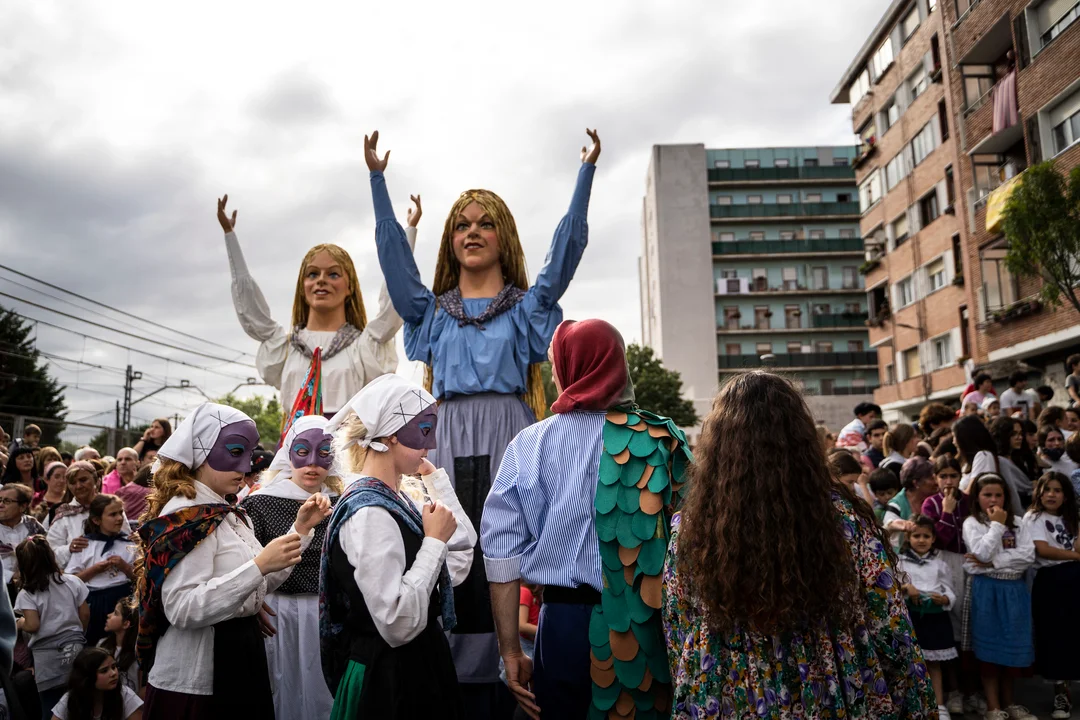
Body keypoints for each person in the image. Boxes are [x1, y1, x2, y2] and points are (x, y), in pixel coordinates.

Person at [365, 129, 601, 711]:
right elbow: (396, 267)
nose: (472, 232)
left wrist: (586, 174)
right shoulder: (431, 311)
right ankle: (449, 664)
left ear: (504, 237)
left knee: (510, 543)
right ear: (450, 240)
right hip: (444, 432)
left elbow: (564, 256)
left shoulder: (527, 307)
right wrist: (377, 181)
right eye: (461, 225)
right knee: (445, 542)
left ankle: (513, 657)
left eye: (485, 223)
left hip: (510, 430)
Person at [663, 372, 935, 717]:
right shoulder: (845, 521)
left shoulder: (692, 528)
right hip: (825, 687)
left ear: (718, 446)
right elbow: (888, 622)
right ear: (801, 439)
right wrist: (912, 702)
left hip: (727, 688)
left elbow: (678, 623)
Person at [481, 319, 689, 719]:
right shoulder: (661, 441)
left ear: (569, 369)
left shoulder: (529, 444)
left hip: (561, 625)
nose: (554, 376)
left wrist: (510, 650)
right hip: (645, 628)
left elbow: (500, 555)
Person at [134, 402, 329, 718]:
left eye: (248, 453)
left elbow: (257, 584)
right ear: (201, 451)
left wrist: (301, 530)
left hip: (240, 656)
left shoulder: (227, 512)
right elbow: (182, 609)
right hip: (202, 675)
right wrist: (259, 565)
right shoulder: (188, 517)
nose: (245, 465)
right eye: (235, 451)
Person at [320, 373, 475, 718]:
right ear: (391, 433)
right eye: (424, 430)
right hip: (388, 678)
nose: (430, 444)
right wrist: (433, 543)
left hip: (417, 667)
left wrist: (435, 482)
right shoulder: (370, 511)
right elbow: (397, 622)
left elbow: (462, 548)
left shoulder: (398, 499)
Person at [218, 193, 409, 418]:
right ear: (302, 286)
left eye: (333, 274)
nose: (321, 280)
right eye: (312, 274)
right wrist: (230, 235)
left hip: (344, 438)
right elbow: (251, 311)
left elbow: (394, 303)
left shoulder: (363, 346)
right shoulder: (285, 347)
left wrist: (407, 237)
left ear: (350, 287)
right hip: (296, 439)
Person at [240, 415, 343, 720]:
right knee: (279, 685)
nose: (312, 464)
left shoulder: (342, 500)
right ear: (288, 452)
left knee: (322, 690)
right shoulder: (259, 502)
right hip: (276, 611)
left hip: (325, 610)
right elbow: (247, 560)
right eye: (302, 451)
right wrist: (252, 602)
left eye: (324, 453)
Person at [962, 473, 1036, 720]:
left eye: (998, 495)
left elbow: (1028, 556)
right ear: (977, 497)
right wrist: (996, 526)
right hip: (987, 590)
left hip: (1014, 589)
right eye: (987, 495)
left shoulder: (1019, 522)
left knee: (1012, 646)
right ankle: (993, 707)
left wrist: (994, 562)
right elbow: (981, 553)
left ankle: (1010, 702)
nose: (993, 500)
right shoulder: (972, 523)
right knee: (989, 648)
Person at [1023, 472, 1080, 719]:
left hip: (1076, 577)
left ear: (1066, 495)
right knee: (1055, 638)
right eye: (1047, 489)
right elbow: (1043, 550)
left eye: (1057, 490)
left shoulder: (1072, 517)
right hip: (1051, 580)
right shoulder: (1033, 517)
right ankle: (1061, 693)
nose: (1051, 495)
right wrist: (1076, 556)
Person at [13, 535, 90, 719]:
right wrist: (79, 634)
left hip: (47, 656)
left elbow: (33, 625)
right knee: (80, 700)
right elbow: (85, 614)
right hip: (75, 647)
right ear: (51, 556)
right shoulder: (72, 581)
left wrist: (20, 623)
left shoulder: (27, 593)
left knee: (51, 704)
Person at [920, 455, 971, 714]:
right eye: (943, 476)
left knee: (968, 626)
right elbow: (939, 540)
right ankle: (953, 690)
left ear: (960, 477)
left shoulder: (969, 501)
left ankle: (971, 689)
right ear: (936, 478)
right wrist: (947, 511)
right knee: (949, 628)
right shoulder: (931, 503)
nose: (949, 481)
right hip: (943, 563)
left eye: (953, 476)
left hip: (969, 564)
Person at [896, 515, 957, 720]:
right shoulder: (900, 562)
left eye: (926, 536)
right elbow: (892, 588)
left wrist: (945, 598)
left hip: (935, 619)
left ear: (933, 539)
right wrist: (906, 587)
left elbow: (949, 589)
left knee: (934, 664)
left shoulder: (939, 564)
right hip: (911, 618)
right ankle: (911, 706)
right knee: (909, 663)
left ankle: (938, 705)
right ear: (908, 537)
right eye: (916, 536)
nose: (921, 540)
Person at [64, 495, 135, 646]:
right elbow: (71, 580)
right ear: (97, 520)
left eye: (121, 513)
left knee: (125, 641)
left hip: (124, 598)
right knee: (96, 643)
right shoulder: (85, 544)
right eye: (112, 514)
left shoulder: (130, 543)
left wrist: (125, 567)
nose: (119, 518)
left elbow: (140, 578)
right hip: (96, 600)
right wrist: (94, 570)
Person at [46, 464, 131, 570]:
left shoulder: (112, 508)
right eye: (73, 482)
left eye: (83, 480)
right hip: (77, 577)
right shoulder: (65, 515)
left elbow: (127, 541)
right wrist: (69, 549)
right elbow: (49, 554)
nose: (78, 486)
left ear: (97, 481)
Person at [954, 415, 1024, 515]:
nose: (953, 441)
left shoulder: (983, 456)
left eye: (955, 437)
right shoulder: (967, 464)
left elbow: (971, 492)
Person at [48, 646, 142, 720]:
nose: (113, 673)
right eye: (104, 671)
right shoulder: (71, 699)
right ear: (87, 676)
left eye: (114, 667)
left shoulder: (125, 694)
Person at [882, 456, 937, 549]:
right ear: (916, 483)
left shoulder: (936, 500)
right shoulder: (896, 505)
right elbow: (887, 532)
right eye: (931, 478)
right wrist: (892, 525)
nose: (936, 482)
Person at [0, 485, 46, 595]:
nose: (1, 504)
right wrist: (12, 576)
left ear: (22, 506)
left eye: (7, 501)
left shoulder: (33, 526)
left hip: (32, 586)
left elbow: (45, 556)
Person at [98, 598, 139, 696]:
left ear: (126, 623)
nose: (109, 615)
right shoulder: (102, 645)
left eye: (115, 613)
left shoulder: (138, 653)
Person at [989, 416, 1033, 507]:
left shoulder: (1019, 458)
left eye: (1021, 434)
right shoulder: (1001, 462)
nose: (1019, 437)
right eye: (1013, 434)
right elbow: (1012, 493)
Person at [33, 462, 69, 527]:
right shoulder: (36, 499)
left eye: (65, 477)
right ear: (46, 479)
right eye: (57, 477)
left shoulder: (71, 499)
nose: (61, 480)